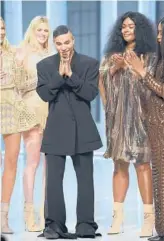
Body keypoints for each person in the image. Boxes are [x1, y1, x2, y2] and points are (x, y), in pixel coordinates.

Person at [36, 25, 102, 239]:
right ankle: (54, 224)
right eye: (59, 43)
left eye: (67, 42)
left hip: (82, 128)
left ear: (73, 41)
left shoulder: (89, 63)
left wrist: (71, 76)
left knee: (85, 180)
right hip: (55, 128)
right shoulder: (45, 65)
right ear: (54, 44)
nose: (63, 47)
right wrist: (59, 76)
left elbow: (90, 94)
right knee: (53, 180)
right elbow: (45, 95)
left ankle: (85, 225)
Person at [99, 12, 156, 237]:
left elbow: (151, 85)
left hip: (142, 120)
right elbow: (102, 84)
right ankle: (117, 219)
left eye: (131, 26)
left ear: (139, 29)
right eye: (123, 27)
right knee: (119, 166)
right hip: (119, 121)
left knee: (143, 165)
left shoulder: (150, 56)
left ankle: (148, 219)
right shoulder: (112, 56)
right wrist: (115, 68)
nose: (126, 30)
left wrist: (133, 68)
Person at [125, 14, 164, 241]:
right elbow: (151, 91)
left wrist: (143, 73)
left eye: (163, 33)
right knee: (160, 184)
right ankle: (163, 231)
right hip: (155, 129)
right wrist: (139, 75)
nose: (159, 37)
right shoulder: (161, 61)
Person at [0, 17, 38, 234]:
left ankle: (3, 218)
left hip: (12, 109)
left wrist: (44, 76)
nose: (1, 32)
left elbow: (23, 84)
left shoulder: (12, 55)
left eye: (3, 28)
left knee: (12, 162)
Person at [17, 16, 51, 232]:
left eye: (46, 30)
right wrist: (38, 80)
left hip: (51, 112)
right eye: (39, 29)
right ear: (32, 30)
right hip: (30, 111)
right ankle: (29, 213)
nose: (42, 34)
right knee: (32, 163)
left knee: (50, 166)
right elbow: (18, 85)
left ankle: (46, 213)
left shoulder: (51, 54)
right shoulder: (21, 52)